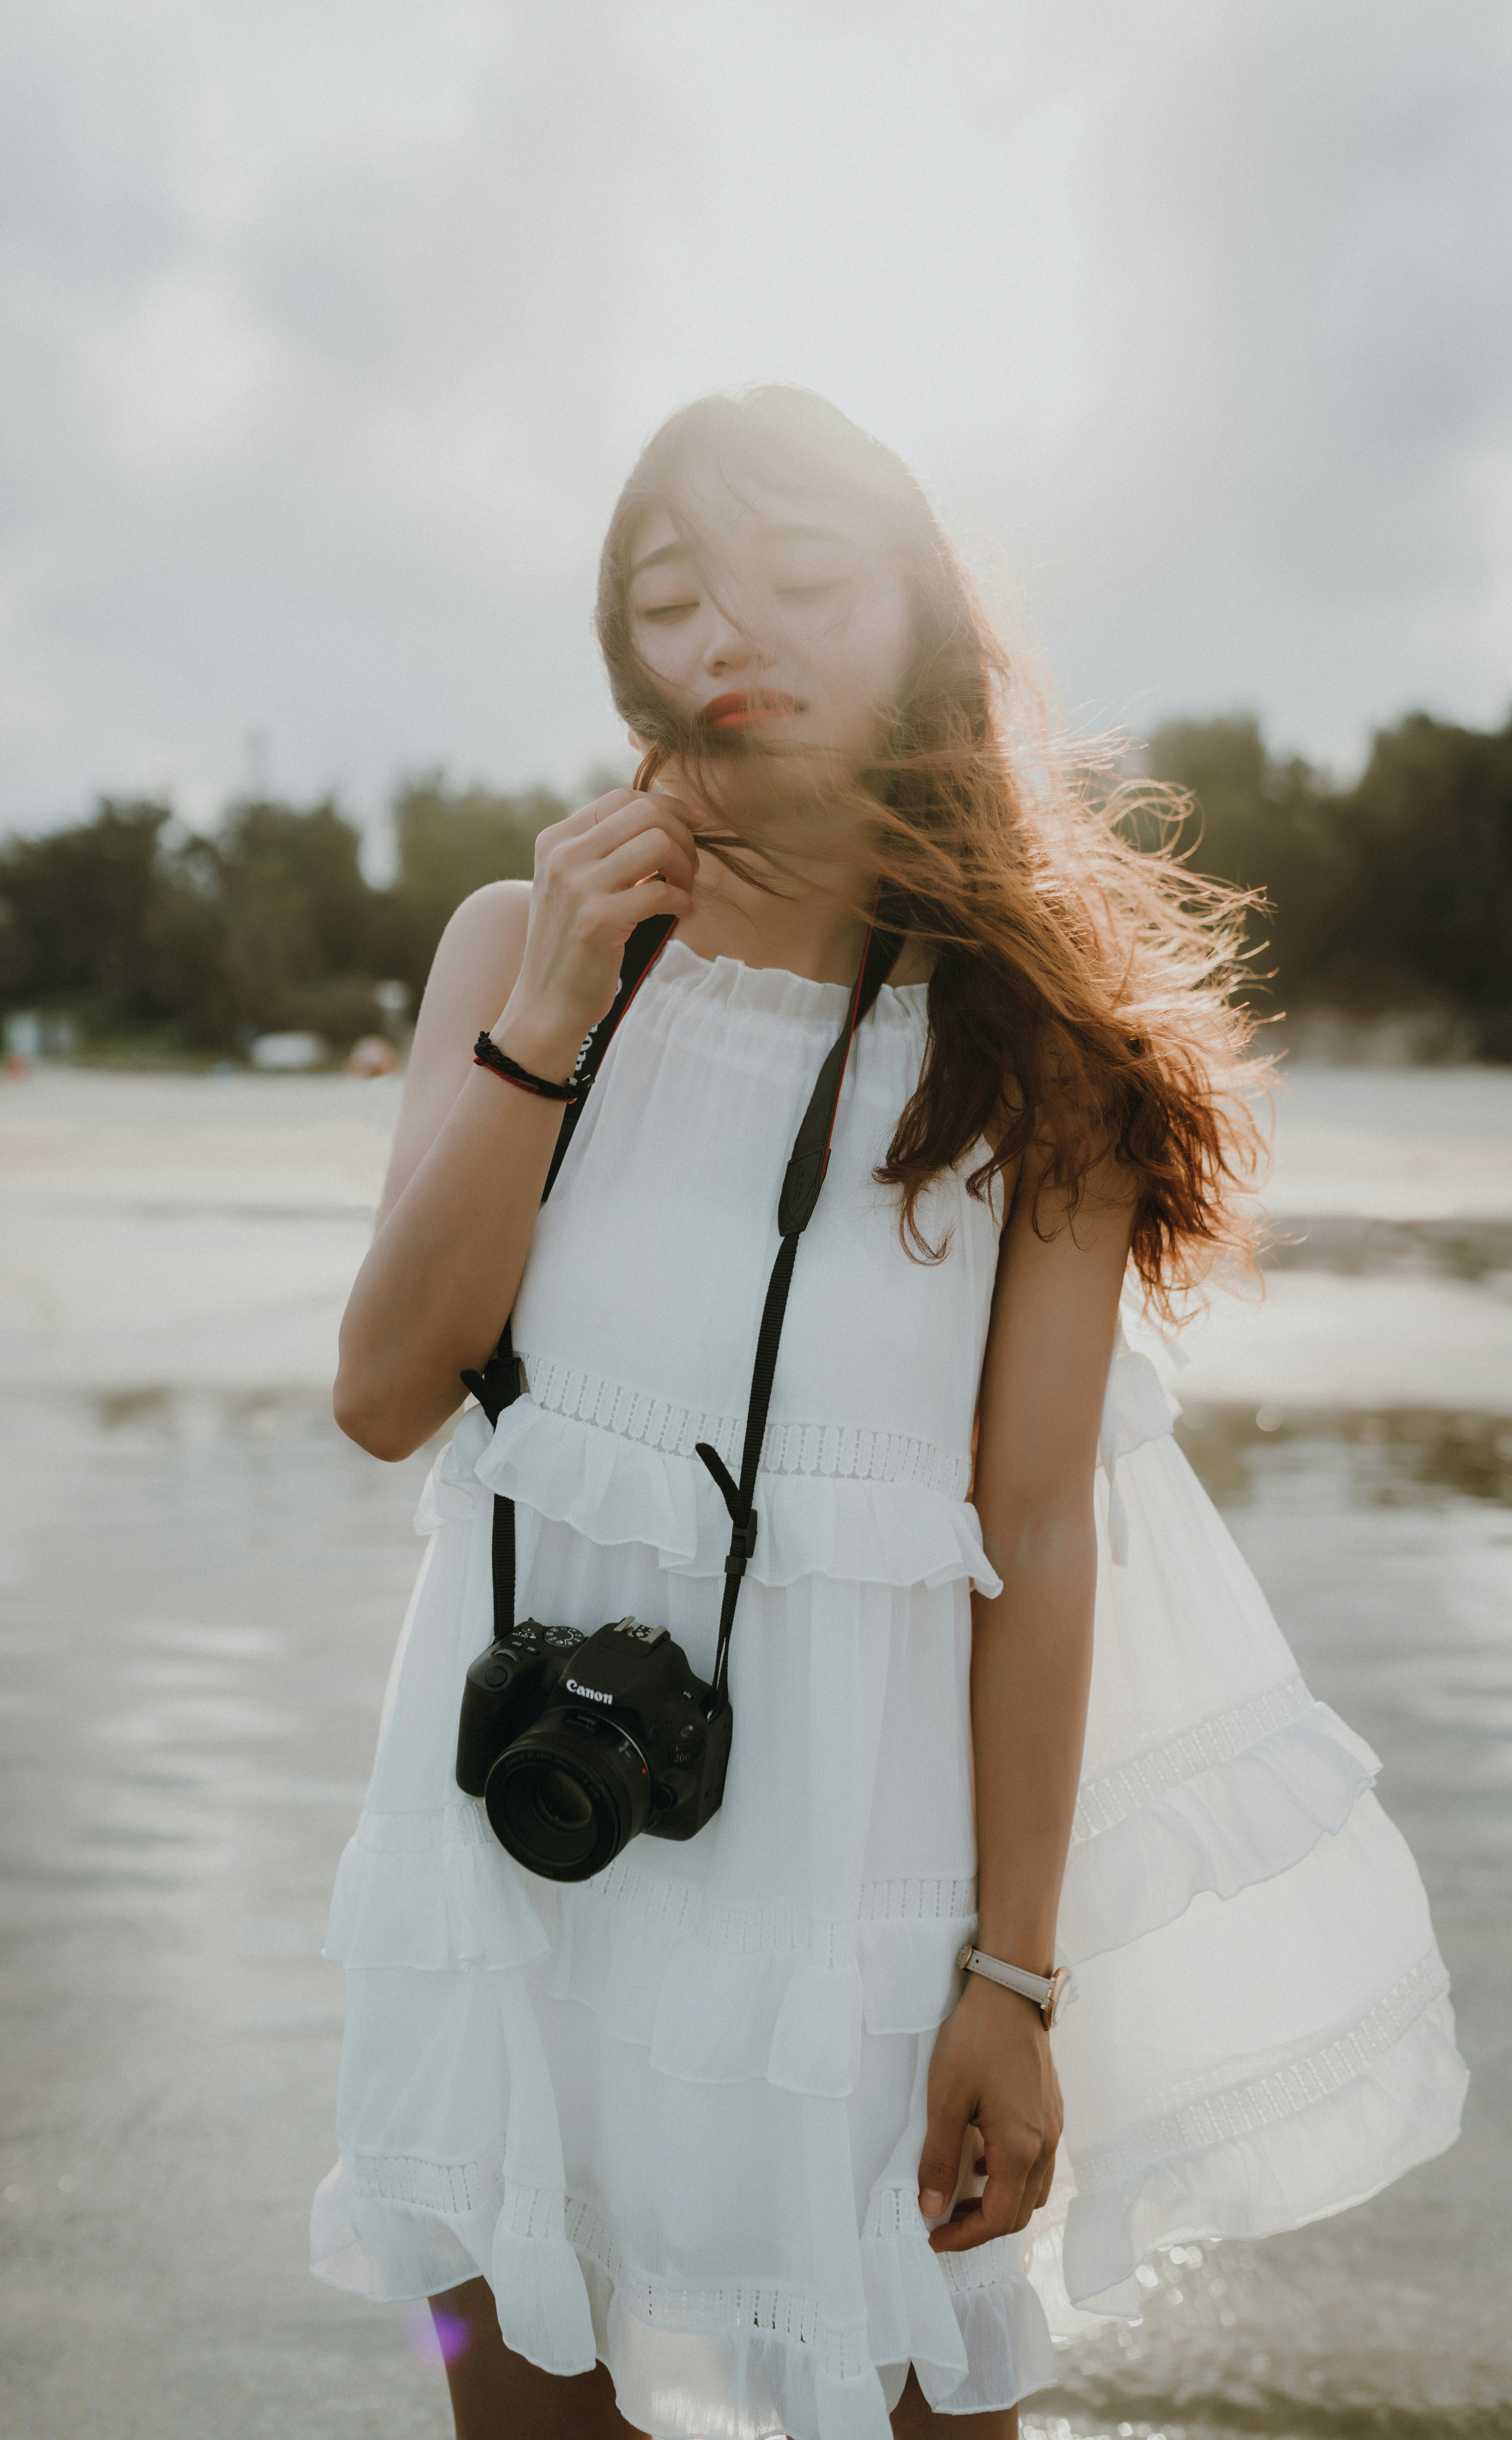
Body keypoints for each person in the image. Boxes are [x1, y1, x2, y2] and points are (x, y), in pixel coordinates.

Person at [311, 388, 1466, 2439]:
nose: (729, 639)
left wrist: (1012, 1985)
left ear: (921, 615)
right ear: (619, 645)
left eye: (804, 581)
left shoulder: (1038, 1056)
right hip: (519, 1850)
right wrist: (554, 1014)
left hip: (859, 1875)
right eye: (673, 599)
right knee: (522, 2381)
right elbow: (385, 1393)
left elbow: (1030, 1532)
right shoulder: (518, 945)